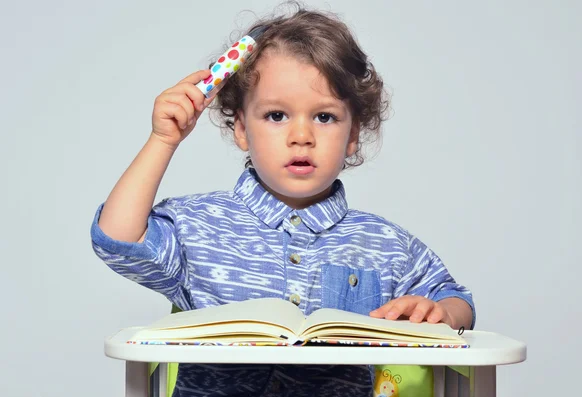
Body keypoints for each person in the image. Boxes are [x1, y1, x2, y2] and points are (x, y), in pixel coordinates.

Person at [91, 4, 475, 397]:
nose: (301, 135)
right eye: (276, 115)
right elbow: (117, 239)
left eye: (324, 117)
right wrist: (163, 140)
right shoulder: (199, 225)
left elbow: (455, 299)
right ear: (241, 128)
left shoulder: (383, 242)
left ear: (353, 135)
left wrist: (442, 312)